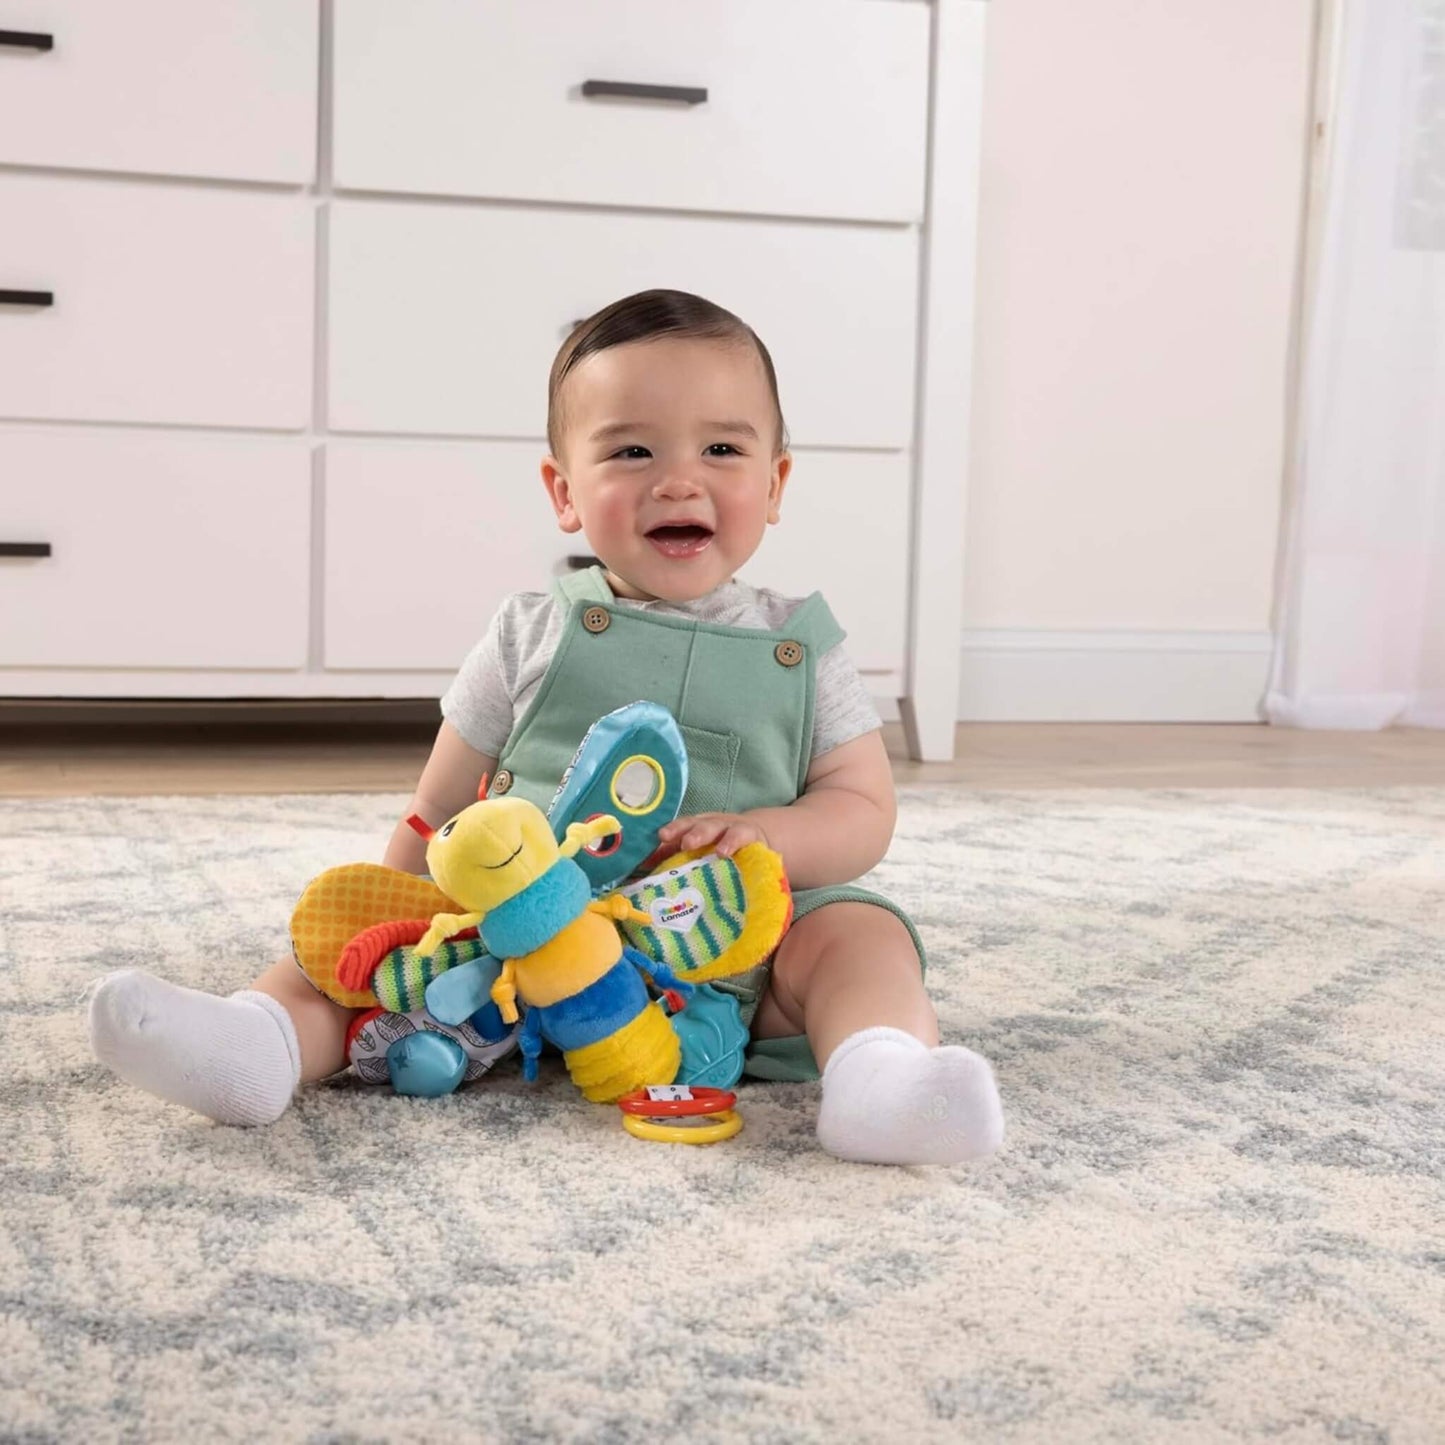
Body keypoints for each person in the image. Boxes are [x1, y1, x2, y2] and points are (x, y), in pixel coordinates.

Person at [88, 289, 1005, 1166]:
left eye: (722, 447)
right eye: (633, 452)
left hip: (731, 952)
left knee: (860, 938)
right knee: (354, 938)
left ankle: (881, 1081)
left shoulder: (802, 642)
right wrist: (392, 927)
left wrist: (766, 834)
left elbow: (862, 809)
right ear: (564, 491)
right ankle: (258, 1042)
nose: (679, 478)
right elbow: (439, 803)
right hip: (513, 946)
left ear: (775, 483)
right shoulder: (532, 629)